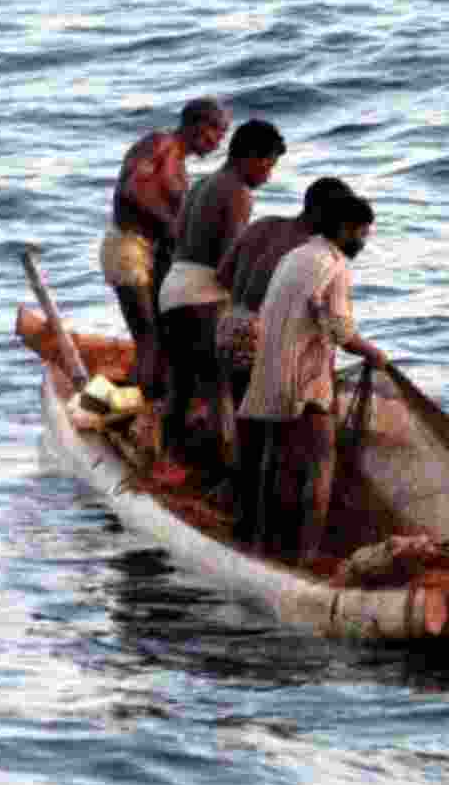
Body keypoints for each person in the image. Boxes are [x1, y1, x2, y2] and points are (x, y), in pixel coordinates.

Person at [237, 190, 389, 564]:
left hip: (269, 375)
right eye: (361, 233)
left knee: (278, 464)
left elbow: (312, 314)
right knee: (321, 463)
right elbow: (340, 330)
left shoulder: (296, 256)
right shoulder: (334, 266)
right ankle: (307, 555)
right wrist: (373, 354)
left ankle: (262, 546)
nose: (363, 241)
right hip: (303, 382)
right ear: (343, 229)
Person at [154, 119, 285, 480]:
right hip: (202, 295)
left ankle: (167, 459)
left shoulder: (202, 183)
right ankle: (223, 473)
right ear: (247, 156)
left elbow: (178, 239)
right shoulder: (238, 191)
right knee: (219, 388)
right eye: (268, 165)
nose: (268, 175)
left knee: (180, 383)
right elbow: (231, 264)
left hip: (174, 288)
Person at [98, 97, 230, 403]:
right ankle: (128, 410)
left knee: (162, 337)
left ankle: (142, 400)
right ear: (197, 125)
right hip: (128, 248)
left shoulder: (180, 167)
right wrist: (170, 223)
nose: (217, 143)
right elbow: (129, 189)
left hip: (152, 254)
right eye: (217, 133)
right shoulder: (160, 144)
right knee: (149, 339)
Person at [215, 176, 354, 406]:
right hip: (261, 337)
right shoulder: (311, 249)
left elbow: (223, 276)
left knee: (245, 414)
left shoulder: (263, 225)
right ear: (321, 212)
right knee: (281, 420)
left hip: (230, 326)